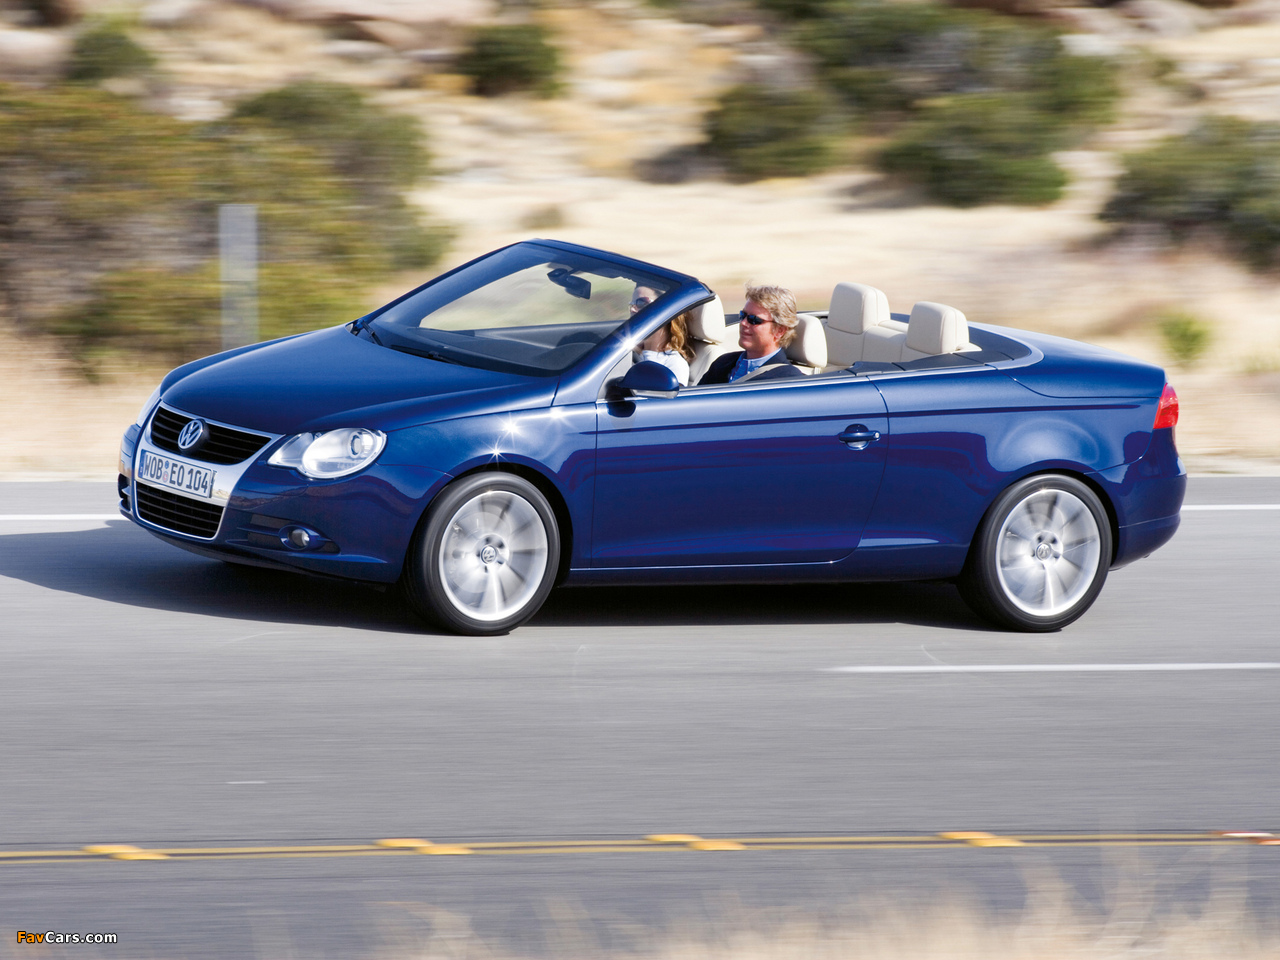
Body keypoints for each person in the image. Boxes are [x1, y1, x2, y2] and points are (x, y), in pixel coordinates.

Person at [698, 283, 804, 385]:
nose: (743, 323)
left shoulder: (788, 381)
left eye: (754, 319)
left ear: (779, 330)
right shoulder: (722, 363)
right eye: (742, 315)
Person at [634, 310, 694, 386]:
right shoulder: (628, 351)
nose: (633, 309)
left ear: (665, 319)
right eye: (633, 304)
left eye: (641, 304)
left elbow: (674, 393)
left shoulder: (675, 363)